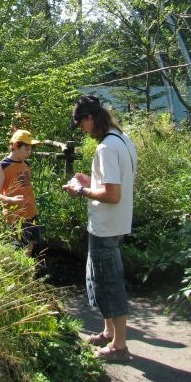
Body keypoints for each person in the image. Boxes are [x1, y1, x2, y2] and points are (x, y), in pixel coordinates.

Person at [63, 95, 137, 362]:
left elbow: (112, 194)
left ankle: (119, 346)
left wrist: (80, 189)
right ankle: (108, 332)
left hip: (106, 226)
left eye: (81, 124)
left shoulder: (105, 148)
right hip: (116, 223)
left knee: (109, 283)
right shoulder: (122, 140)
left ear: (90, 119)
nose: (81, 130)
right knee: (102, 279)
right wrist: (90, 179)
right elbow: (114, 185)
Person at [0, 129, 42, 250]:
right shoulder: (2, 166)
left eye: (31, 149)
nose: (29, 152)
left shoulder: (26, 164)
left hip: (31, 212)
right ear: (15, 146)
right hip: (15, 215)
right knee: (18, 247)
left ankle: (29, 268)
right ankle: (21, 268)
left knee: (31, 242)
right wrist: (11, 199)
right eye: (26, 149)